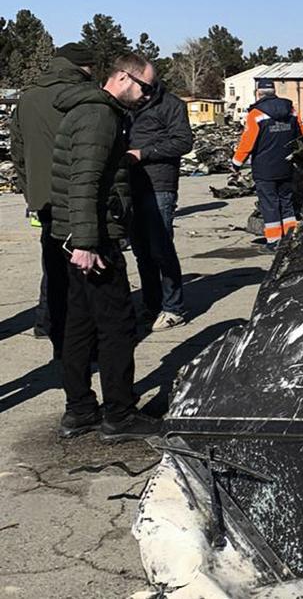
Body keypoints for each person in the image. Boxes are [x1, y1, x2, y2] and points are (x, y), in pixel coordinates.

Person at [49, 54, 162, 441]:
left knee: (79, 324)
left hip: (76, 236)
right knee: (117, 326)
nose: (148, 96)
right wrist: (86, 242)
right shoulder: (100, 117)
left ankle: (79, 409)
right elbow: (85, 182)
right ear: (122, 77)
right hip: (92, 239)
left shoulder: (89, 111)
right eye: (145, 87)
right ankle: (119, 414)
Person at [9, 43, 96, 358]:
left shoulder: (28, 98)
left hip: (44, 200)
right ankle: (81, 345)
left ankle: (52, 329)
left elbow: (17, 152)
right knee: (86, 275)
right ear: (84, 67)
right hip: (81, 199)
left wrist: (31, 191)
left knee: (54, 267)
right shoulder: (82, 97)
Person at [127, 71, 194, 331]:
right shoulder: (128, 107)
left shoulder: (171, 105)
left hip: (159, 186)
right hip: (132, 186)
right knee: (141, 251)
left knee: (160, 249)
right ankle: (151, 304)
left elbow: (183, 142)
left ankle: (173, 308)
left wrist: (144, 153)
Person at [231, 79, 303, 252]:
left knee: (269, 204)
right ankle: (290, 238)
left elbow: (247, 142)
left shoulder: (256, 114)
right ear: (274, 91)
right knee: (287, 203)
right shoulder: (291, 111)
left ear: (258, 93)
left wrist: (236, 163)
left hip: (265, 169)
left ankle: (274, 242)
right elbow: (302, 135)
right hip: (287, 165)